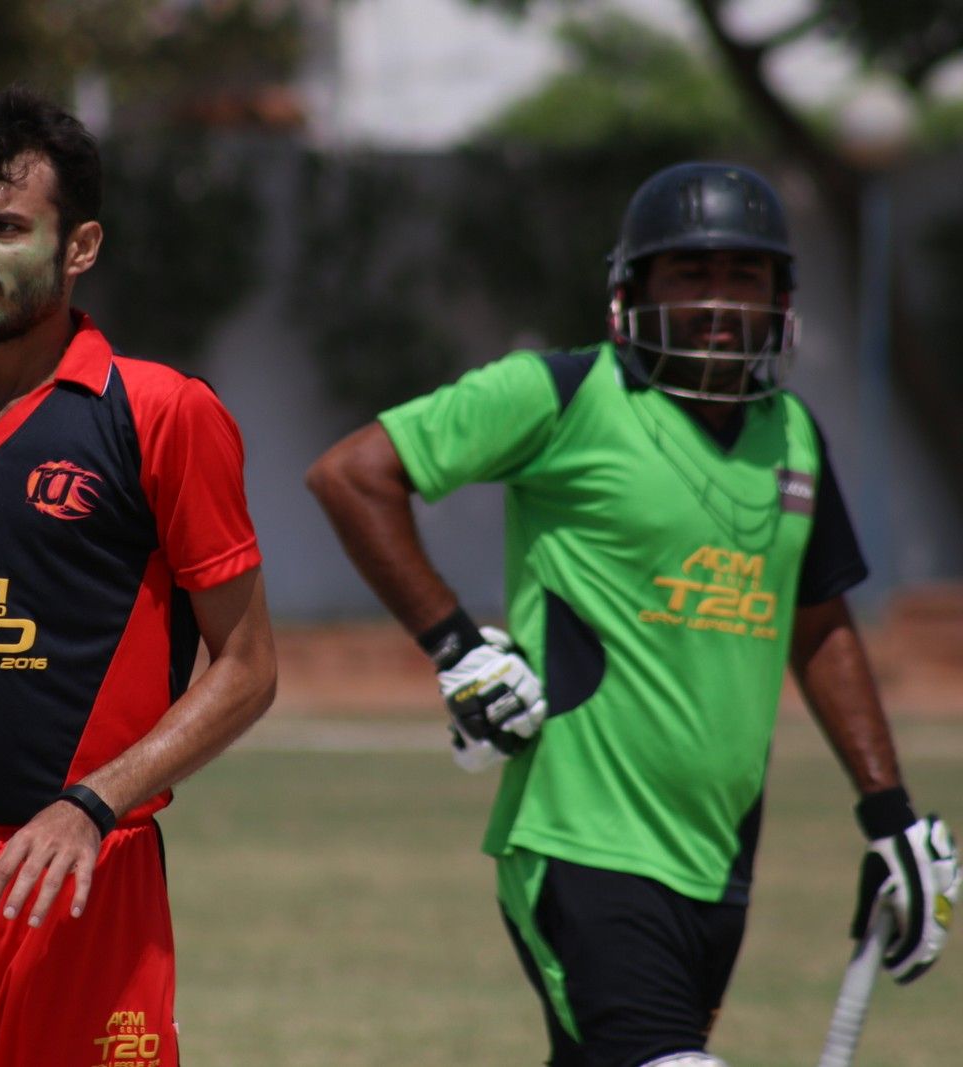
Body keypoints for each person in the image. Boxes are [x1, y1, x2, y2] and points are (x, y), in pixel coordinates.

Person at [305, 161, 958, 1067]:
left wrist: (891, 815)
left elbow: (821, 627)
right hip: (581, 841)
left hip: (719, 861)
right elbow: (352, 475)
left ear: (780, 297)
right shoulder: (562, 394)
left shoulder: (795, 436)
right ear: (633, 291)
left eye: (744, 274)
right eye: (691, 273)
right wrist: (456, 646)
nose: (720, 299)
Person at [0, 87, 276, 1067]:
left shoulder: (162, 413)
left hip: (86, 874)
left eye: (1, 227)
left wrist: (93, 802)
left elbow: (247, 668)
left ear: (80, 247)